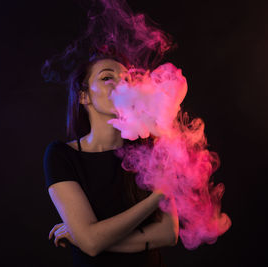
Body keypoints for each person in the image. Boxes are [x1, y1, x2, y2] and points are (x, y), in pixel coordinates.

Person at [43, 53, 179, 267]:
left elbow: (168, 233)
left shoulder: (149, 149)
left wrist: (89, 239)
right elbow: (90, 241)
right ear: (84, 97)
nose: (121, 85)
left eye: (126, 80)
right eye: (107, 78)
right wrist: (157, 197)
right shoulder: (61, 155)